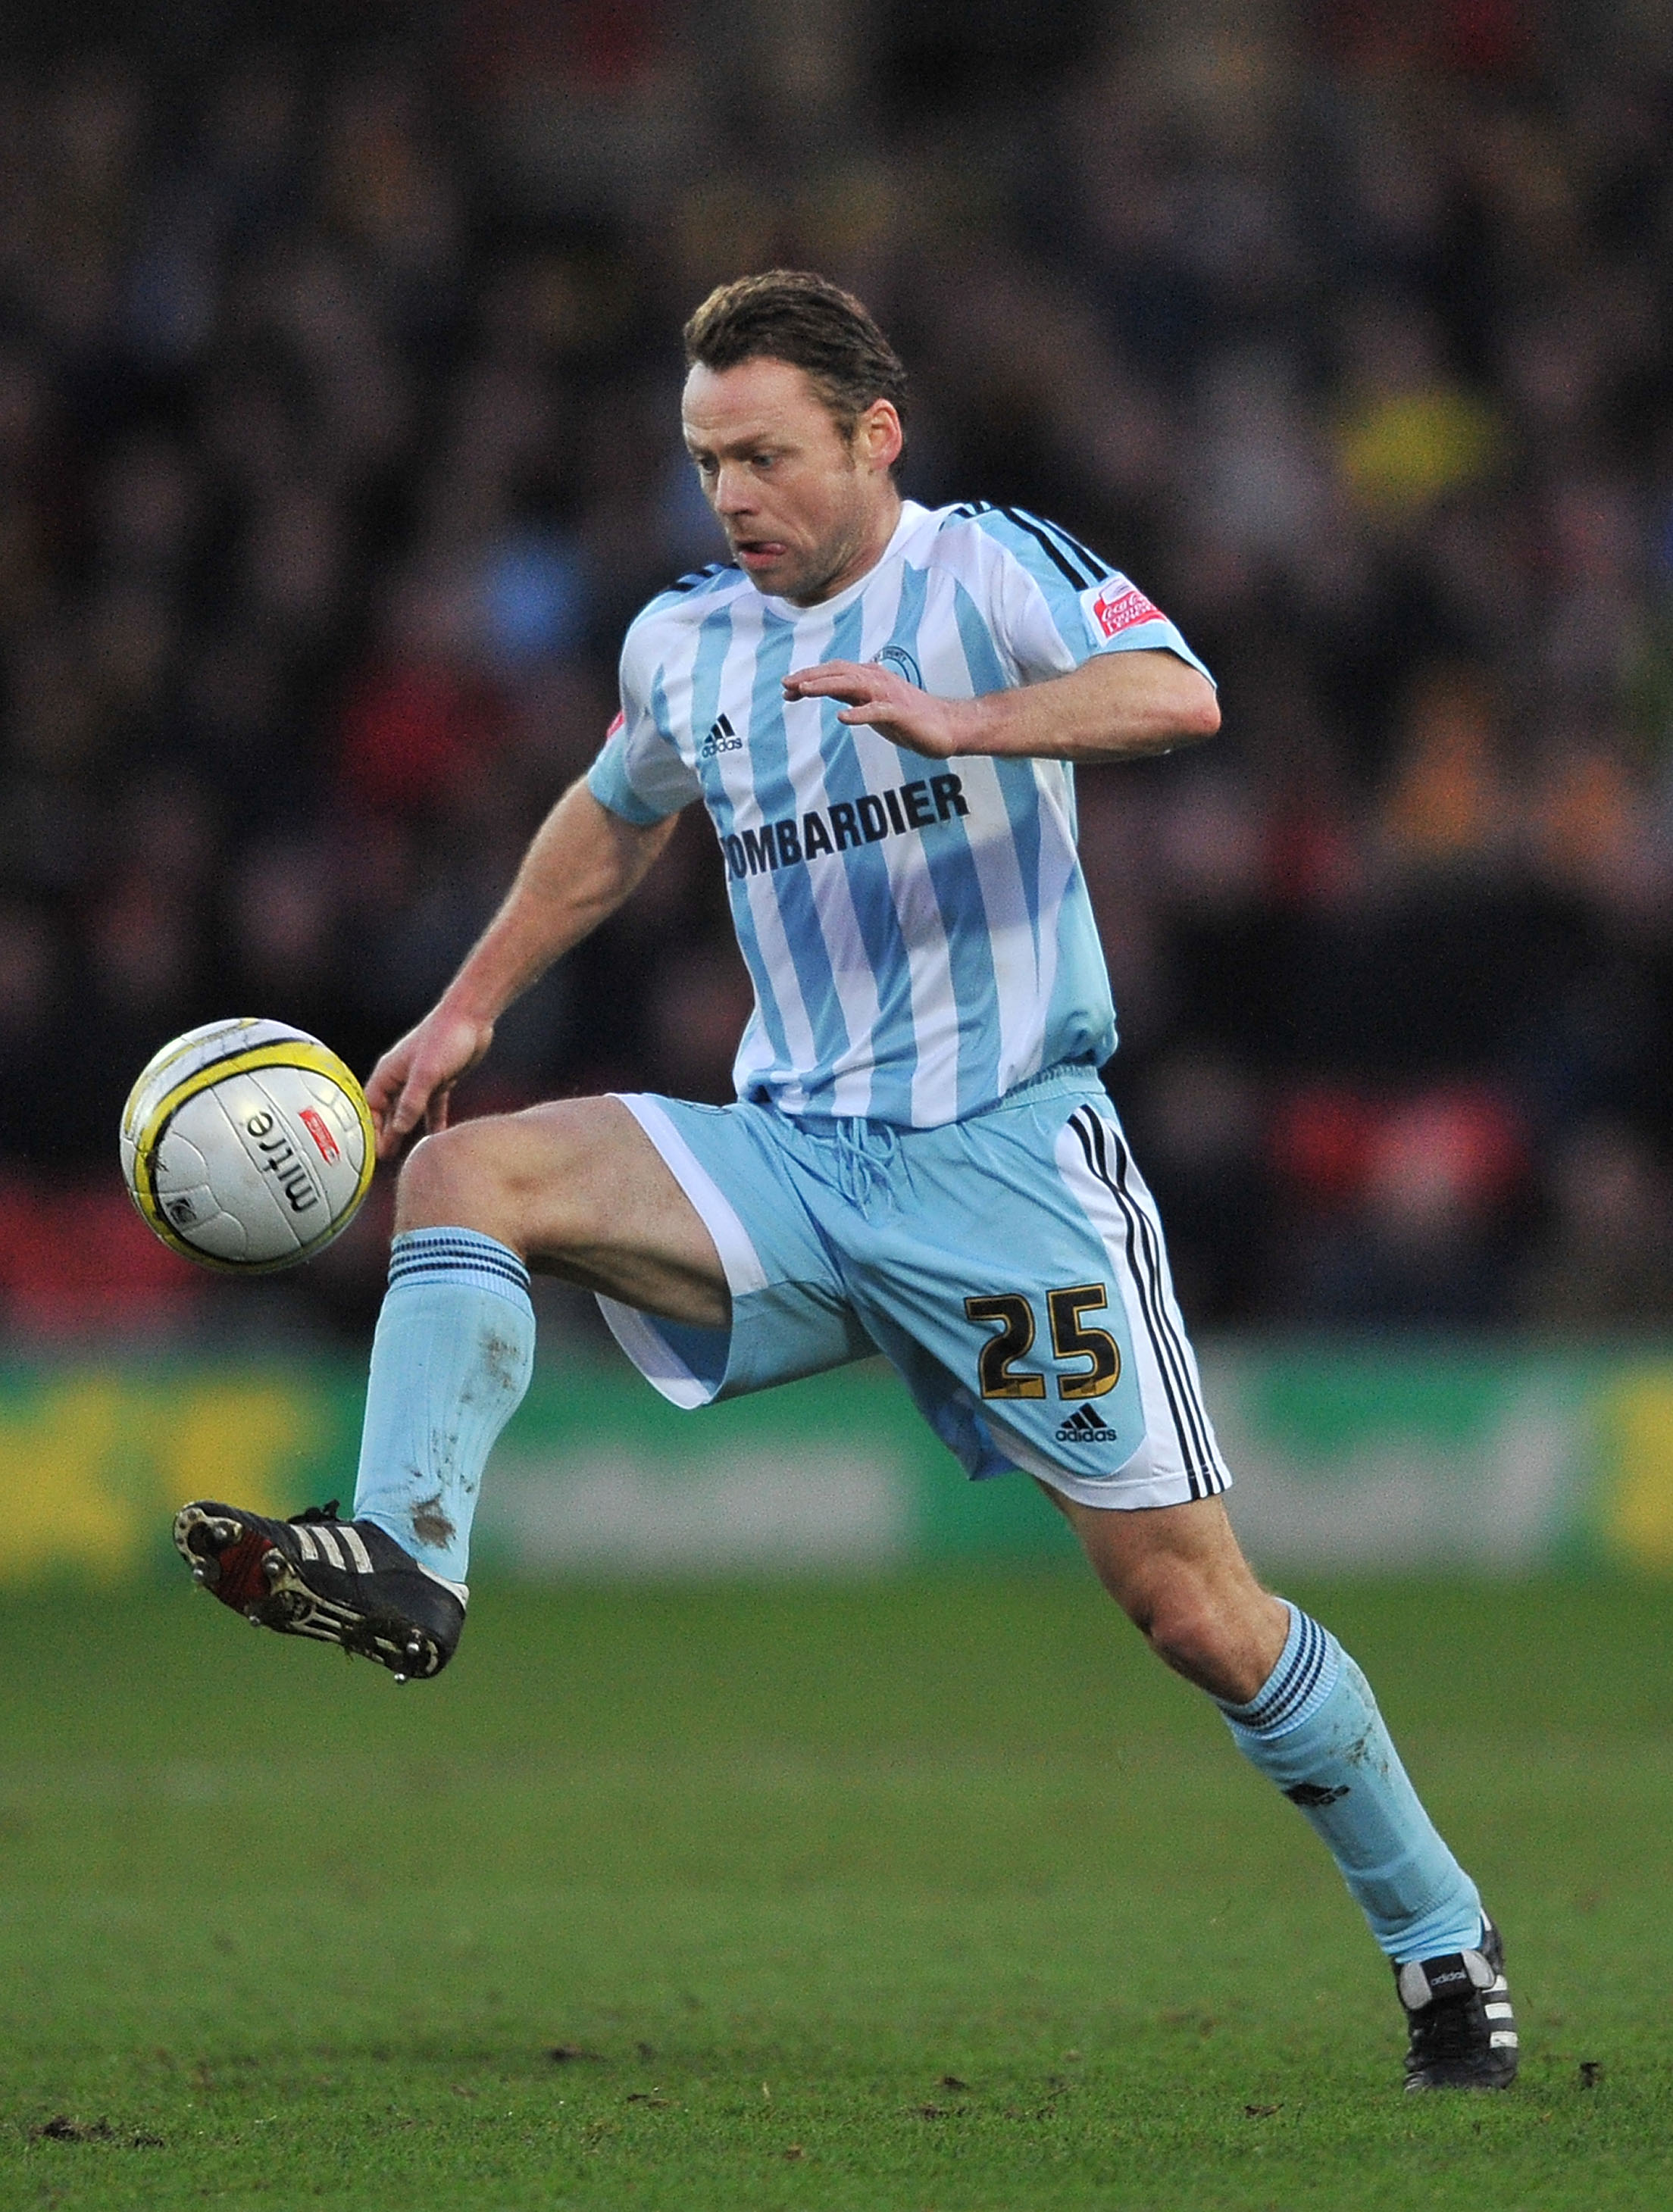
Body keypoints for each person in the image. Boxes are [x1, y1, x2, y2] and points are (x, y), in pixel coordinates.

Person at [176, 270, 1516, 2092]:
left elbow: (1179, 695)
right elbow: (616, 809)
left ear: (874, 437)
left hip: (1010, 1177)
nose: (732, 496)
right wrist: (468, 1005)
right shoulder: (687, 639)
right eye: (705, 460)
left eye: (767, 457)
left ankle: (1441, 1942)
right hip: (793, 1162)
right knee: (466, 1179)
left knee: (1196, 1610)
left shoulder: (984, 572)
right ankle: (409, 1558)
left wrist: (978, 726)